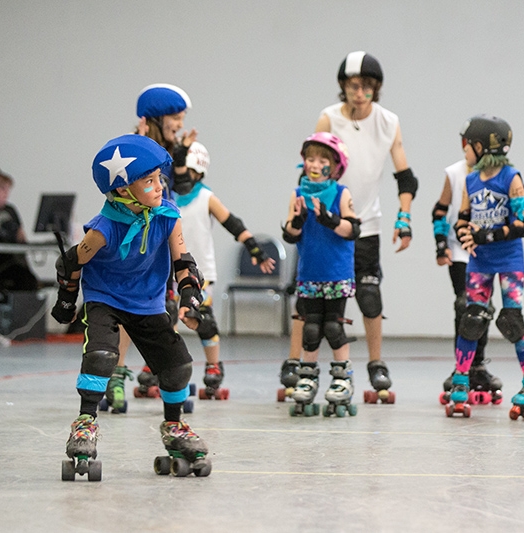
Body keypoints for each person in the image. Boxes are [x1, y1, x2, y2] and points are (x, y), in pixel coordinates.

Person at [55, 134, 211, 481]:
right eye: (149, 181)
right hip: (105, 299)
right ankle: (85, 423)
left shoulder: (168, 216)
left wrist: (189, 293)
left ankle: (174, 426)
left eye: (159, 179)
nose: (160, 187)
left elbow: (182, 261)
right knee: (102, 356)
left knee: (178, 365)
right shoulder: (104, 228)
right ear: (124, 190)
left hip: (148, 302)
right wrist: (66, 300)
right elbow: (69, 263)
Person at [279, 51, 419, 404]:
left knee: (369, 296)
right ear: (343, 87)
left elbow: (405, 176)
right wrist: (301, 212)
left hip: (366, 223)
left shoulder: (388, 121)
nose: (360, 93)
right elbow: (310, 168)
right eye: (354, 86)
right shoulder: (328, 118)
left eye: (367, 87)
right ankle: (295, 361)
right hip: (319, 226)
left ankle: (376, 364)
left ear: (376, 90)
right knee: (307, 295)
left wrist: (404, 218)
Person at [103, 84, 196, 412]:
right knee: (128, 308)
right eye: (176, 117)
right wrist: (144, 144)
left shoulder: (171, 150)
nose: (180, 124)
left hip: (159, 238)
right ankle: (115, 378)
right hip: (133, 239)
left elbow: (183, 187)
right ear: (156, 117)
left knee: (162, 310)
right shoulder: (133, 150)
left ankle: (168, 375)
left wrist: (182, 156)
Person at [447, 115, 524, 420]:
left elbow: (523, 224)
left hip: (509, 260)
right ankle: (461, 382)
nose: (464, 151)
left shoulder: (511, 177)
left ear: (482, 145)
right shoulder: (470, 180)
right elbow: (462, 218)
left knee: (512, 320)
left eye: (468, 145)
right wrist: (465, 236)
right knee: (472, 319)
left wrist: (485, 235)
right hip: (480, 261)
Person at [171, 141, 275, 400]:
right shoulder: (165, 196)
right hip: (168, 271)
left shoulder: (206, 197)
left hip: (200, 273)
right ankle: (162, 363)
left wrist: (255, 250)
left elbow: (232, 223)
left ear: (196, 171)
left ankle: (213, 365)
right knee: (166, 319)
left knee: (203, 318)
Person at [281, 132, 360, 417]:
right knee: (311, 327)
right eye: (310, 158)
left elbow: (353, 230)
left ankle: (342, 379)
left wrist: (330, 219)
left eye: (322, 159)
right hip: (310, 274)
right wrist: (298, 221)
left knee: (333, 326)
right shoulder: (298, 194)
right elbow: (290, 235)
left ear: (336, 167)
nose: (314, 164)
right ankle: (308, 376)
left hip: (337, 273)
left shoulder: (341, 193)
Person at [432, 132, 501, 406]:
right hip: (460, 249)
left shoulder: (502, 173)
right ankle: (462, 366)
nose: (464, 150)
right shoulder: (455, 172)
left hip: (487, 250)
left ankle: (479, 365)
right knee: (465, 305)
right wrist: (440, 244)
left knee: (483, 307)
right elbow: (440, 210)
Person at [0, 167, 39, 297]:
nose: (6, 193)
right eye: (2, 188)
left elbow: (21, 236)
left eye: (8, 189)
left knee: (29, 282)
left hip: (12, 262)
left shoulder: (10, 210)